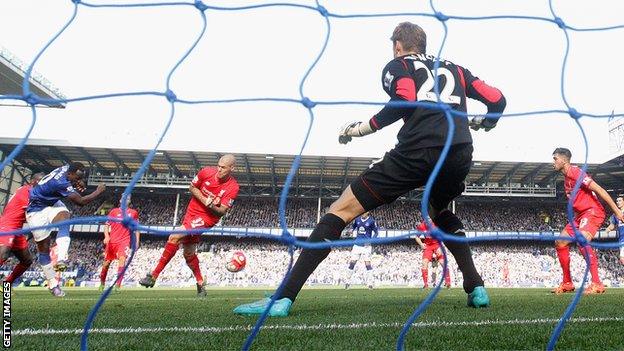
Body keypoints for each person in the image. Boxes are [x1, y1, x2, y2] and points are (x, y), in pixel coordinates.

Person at [234, 21, 506, 316]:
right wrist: (487, 122)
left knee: (340, 209)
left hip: (417, 150)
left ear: (397, 46)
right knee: (438, 211)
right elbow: (496, 99)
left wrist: (362, 128)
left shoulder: (399, 64)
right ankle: (476, 285)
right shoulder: (457, 69)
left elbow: (404, 98)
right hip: (459, 152)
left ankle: (282, 299)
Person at [139, 155, 239, 297]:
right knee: (189, 253)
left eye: (223, 167)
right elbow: (192, 187)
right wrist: (206, 200)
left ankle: (153, 276)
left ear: (232, 168)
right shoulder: (206, 172)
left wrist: (210, 205)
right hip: (191, 213)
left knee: (174, 237)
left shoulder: (233, 187)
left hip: (207, 219)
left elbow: (222, 211)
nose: (219, 169)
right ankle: (200, 283)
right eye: (218, 166)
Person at [26, 162, 105, 297]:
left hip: (52, 203)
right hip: (36, 210)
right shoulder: (61, 183)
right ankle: (52, 283)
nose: (77, 181)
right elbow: (81, 202)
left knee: (65, 217)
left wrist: (78, 182)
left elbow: (75, 176)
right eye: (75, 178)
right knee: (43, 250)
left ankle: (61, 259)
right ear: (69, 174)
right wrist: (98, 191)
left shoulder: (67, 168)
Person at [551, 148, 624, 295]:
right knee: (560, 242)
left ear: (564, 160)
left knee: (582, 240)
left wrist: (617, 212)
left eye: (555, 158)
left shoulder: (576, 173)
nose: (553, 162)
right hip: (580, 215)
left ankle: (597, 283)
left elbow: (600, 190)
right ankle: (567, 283)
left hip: (592, 211)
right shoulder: (566, 178)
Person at [0, 173, 44, 287]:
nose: (43, 183)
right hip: (7, 225)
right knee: (3, 255)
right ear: (33, 181)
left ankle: (7, 284)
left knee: (27, 260)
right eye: (41, 181)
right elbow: (33, 213)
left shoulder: (30, 191)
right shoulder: (26, 192)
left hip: (17, 229)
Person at [99, 195, 140, 292]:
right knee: (106, 264)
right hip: (112, 241)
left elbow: (137, 228)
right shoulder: (114, 211)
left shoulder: (133, 213)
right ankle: (102, 283)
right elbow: (106, 225)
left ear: (129, 201)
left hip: (124, 241)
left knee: (122, 261)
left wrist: (137, 241)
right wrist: (106, 236)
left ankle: (118, 285)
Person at [344, 212, 378, 289]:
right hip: (357, 245)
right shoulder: (357, 219)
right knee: (352, 263)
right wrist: (350, 231)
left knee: (368, 264)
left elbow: (376, 232)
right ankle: (347, 282)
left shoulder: (371, 221)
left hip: (366, 246)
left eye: (364, 212)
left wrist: (371, 241)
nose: (362, 213)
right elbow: (353, 227)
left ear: (368, 213)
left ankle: (370, 284)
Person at [414, 221, 451, 288]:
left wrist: (441, 246)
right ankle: (425, 284)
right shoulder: (421, 226)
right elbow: (417, 237)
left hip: (437, 245)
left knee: (443, 263)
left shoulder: (436, 224)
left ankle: (448, 282)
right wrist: (421, 244)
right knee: (424, 263)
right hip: (428, 246)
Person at [605, 196, 624, 265]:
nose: (618, 202)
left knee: (622, 258)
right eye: (617, 201)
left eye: (620, 201)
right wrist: (606, 231)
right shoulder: (615, 214)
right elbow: (612, 226)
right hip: (621, 239)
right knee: (622, 259)